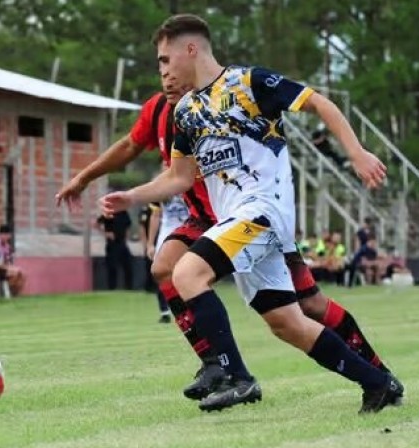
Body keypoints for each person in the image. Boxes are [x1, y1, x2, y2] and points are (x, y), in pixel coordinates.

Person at [57, 25, 398, 409]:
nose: (163, 72)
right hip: (236, 222)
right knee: (288, 324)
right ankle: (377, 383)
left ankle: (236, 377)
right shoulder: (186, 112)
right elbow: (178, 177)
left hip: (263, 211)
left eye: (166, 61)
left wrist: (356, 153)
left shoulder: (249, 82)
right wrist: (131, 197)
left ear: (190, 50)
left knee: (186, 272)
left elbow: (321, 104)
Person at [140, 201, 171, 322]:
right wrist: (150, 244)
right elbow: (155, 215)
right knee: (160, 272)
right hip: (167, 231)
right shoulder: (163, 187)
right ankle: (165, 311)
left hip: (192, 230)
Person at [96, 209, 134, 290]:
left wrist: (125, 238)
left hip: (122, 243)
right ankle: (112, 288)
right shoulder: (108, 213)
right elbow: (97, 224)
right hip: (112, 244)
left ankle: (129, 288)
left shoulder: (124, 212)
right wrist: (106, 233)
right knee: (112, 267)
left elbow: (128, 226)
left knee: (128, 265)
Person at [0, 225, 25, 295]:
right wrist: (10, 268)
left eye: (8, 235)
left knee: (23, 274)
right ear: (0, 235)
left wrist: (11, 267)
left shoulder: (7, 246)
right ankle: (12, 294)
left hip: (5, 267)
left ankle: (16, 295)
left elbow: (9, 260)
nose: (7, 237)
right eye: (5, 234)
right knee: (15, 273)